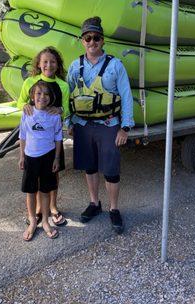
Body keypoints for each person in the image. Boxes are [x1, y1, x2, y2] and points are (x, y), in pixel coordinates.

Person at [67, 16, 134, 234]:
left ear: (102, 40)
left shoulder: (115, 65)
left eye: (96, 38)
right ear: (82, 40)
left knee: (111, 170)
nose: (92, 42)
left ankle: (114, 209)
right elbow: (68, 96)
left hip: (108, 124)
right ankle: (95, 204)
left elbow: (126, 95)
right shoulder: (74, 67)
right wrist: (68, 122)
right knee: (90, 166)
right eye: (88, 38)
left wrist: (125, 127)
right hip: (82, 125)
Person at [17, 47, 70, 227]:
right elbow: (20, 102)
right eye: (45, 61)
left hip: (52, 140)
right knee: (36, 177)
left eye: (53, 62)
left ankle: (53, 207)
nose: (49, 65)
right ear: (39, 64)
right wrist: (25, 105)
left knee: (53, 174)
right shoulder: (30, 82)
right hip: (34, 141)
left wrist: (61, 110)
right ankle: (39, 210)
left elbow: (67, 109)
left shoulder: (63, 85)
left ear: (58, 65)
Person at [19, 80, 63, 241]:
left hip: (48, 157)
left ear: (51, 98)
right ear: (32, 96)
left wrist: (57, 158)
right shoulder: (27, 113)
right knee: (31, 191)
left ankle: (45, 220)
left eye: (46, 94)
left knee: (45, 191)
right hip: (30, 157)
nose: (42, 97)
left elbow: (58, 137)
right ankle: (32, 221)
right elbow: (22, 135)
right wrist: (22, 156)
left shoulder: (55, 116)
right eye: (38, 93)